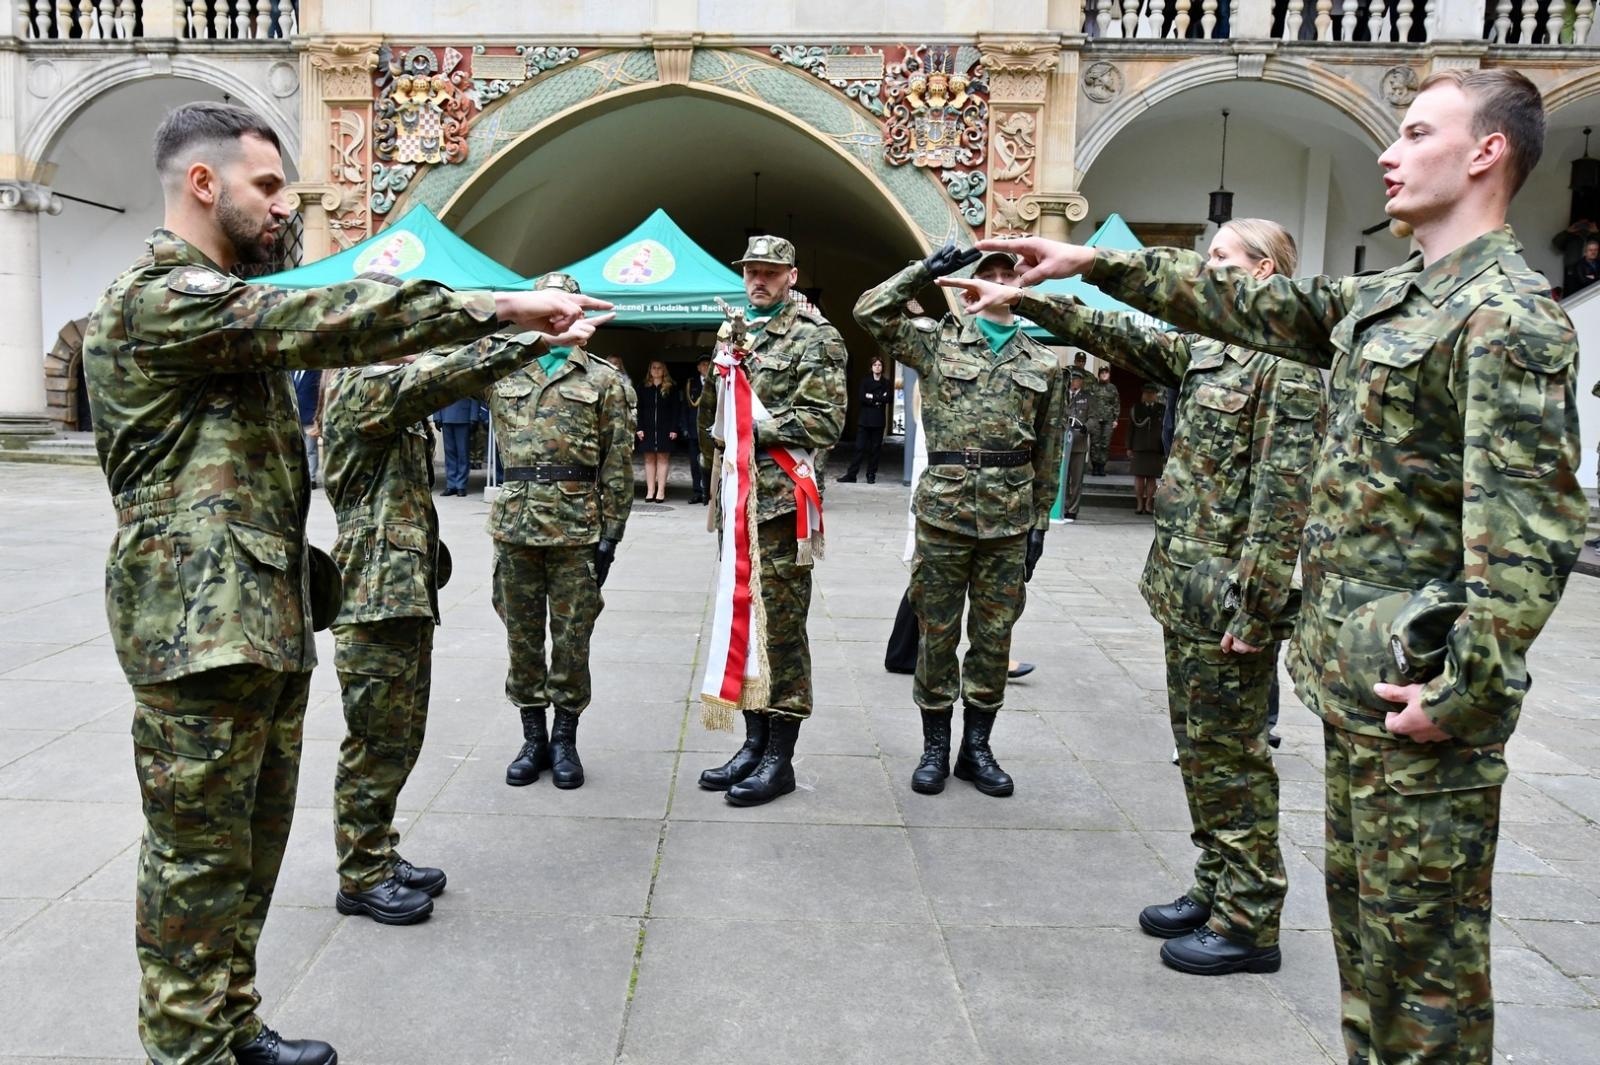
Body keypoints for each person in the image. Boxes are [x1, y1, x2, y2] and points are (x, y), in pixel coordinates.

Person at [956, 69, 1586, 1063]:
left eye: (1416, 131)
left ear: (1484, 152)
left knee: (1420, 976)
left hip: (1415, 699)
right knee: (1371, 960)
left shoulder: (1506, 314)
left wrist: (1463, 695)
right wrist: (1086, 265)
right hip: (1360, 686)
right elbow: (1239, 305)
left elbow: (1530, 530)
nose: (1389, 148)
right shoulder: (1394, 294)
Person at [81, 101, 604, 1065]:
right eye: (269, 187)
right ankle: (188, 1048)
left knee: (251, 851)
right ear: (204, 185)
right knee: (196, 860)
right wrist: (498, 304)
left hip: (258, 619)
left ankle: (232, 1020)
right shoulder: (158, 300)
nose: (285, 209)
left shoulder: (223, 313)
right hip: (193, 631)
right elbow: (319, 312)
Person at [948, 217, 1323, 974]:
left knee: (1234, 756)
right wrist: (1021, 300)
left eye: (1219, 258)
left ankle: (1251, 919)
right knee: (1198, 752)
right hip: (1185, 589)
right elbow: (1115, 332)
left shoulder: (1290, 361)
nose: (1204, 267)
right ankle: (1215, 884)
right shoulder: (1213, 348)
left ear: (1261, 272)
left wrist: (1256, 611)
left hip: (1228, 601)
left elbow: (1286, 499)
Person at [321, 312, 610, 926]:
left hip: (400, 590)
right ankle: (359, 873)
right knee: (375, 737)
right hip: (373, 594)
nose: (413, 344)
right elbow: (450, 374)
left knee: (399, 735)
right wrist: (533, 335)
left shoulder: (386, 386)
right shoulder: (362, 387)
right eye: (401, 334)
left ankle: (377, 849)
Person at [856, 246, 1065, 798]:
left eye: (1007, 274)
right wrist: (924, 272)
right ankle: (934, 747)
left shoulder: (1043, 362)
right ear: (969, 288)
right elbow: (869, 313)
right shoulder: (934, 341)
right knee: (937, 634)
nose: (996, 282)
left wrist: (1040, 521)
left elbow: (1048, 451)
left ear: (1021, 285)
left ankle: (977, 748)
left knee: (994, 638)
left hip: (1008, 518)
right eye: (986, 276)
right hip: (945, 513)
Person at [697, 235, 846, 806]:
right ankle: (752, 745)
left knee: (781, 631)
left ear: (791, 275)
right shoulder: (732, 335)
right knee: (743, 623)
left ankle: (780, 756)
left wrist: (748, 427)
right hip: (736, 501)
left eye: (770, 272)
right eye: (751, 271)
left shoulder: (815, 338)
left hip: (782, 505)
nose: (758, 280)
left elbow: (826, 420)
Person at [490, 273, 634, 792]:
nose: (556, 316)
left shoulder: (603, 380)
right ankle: (533, 739)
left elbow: (617, 462)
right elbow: (452, 349)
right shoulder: (503, 367)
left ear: (577, 313)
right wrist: (515, 322)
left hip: (577, 528)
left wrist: (611, 535)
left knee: (573, 640)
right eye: (546, 306)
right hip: (516, 527)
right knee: (521, 639)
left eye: (564, 308)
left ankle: (566, 737)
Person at [837, 356, 894, 483]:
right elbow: (862, 397)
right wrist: (879, 398)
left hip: (878, 421)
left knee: (875, 450)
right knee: (859, 448)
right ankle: (852, 475)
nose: (877, 367)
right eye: (875, 365)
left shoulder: (886, 383)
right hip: (865, 420)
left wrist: (872, 397)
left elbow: (889, 399)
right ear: (871, 367)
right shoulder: (865, 381)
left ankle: (871, 475)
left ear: (882, 367)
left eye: (879, 365)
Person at [637, 358, 681, 502]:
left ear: (664, 371)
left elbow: (676, 409)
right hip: (647, 428)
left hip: (665, 428)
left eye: (659, 368)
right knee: (649, 459)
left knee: (663, 458)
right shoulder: (643, 387)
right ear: (649, 370)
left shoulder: (671, 387)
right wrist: (639, 427)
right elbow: (639, 409)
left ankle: (660, 491)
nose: (656, 370)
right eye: (653, 367)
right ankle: (650, 491)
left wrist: (674, 428)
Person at [1128, 382, 1165, 514]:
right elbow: (1130, 429)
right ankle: (1139, 503)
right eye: (1146, 393)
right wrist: (1129, 447)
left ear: (1156, 395)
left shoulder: (1162, 409)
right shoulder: (1136, 408)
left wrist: (1165, 448)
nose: (1149, 396)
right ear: (1143, 395)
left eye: (1152, 393)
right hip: (1139, 447)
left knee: (1151, 478)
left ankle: (1149, 503)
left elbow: (1166, 429)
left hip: (1156, 448)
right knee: (1139, 477)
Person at [1058, 369, 1090, 522]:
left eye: (1078, 380)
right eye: (1073, 379)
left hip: (1078, 443)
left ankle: (1072, 509)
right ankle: (1061, 507)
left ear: (1081, 382)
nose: (1075, 382)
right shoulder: (1062, 395)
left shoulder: (1087, 398)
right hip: (1063, 443)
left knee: (1076, 480)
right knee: (1062, 477)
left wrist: (1087, 427)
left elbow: (1094, 418)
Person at [432, 394, 475, 496]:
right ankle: (451, 485)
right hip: (446, 415)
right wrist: (437, 416)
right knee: (449, 452)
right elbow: (436, 394)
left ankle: (461, 485)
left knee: (462, 452)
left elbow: (475, 394)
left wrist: (474, 417)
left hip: (463, 415)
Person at [685, 354, 713, 504]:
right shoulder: (692, 383)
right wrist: (685, 427)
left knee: (710, 463)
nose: (705, 367)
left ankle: (710, 492)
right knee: (695, 463)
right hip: (694, 430)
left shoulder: (717, 382)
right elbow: (687, 407)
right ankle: (698, 491)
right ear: (698, 368)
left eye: (708, 364)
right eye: (702, 365)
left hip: (710, 431)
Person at [1086, 364, 1120, 476]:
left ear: (1109, 374)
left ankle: (1102, 467)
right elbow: (1089, 403)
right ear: (1099, 375)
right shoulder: (1093, 387)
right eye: (1102, 373)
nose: (1104, 374)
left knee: (1105, 443)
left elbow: (1116, 404)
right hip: (1095, 419)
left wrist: (1116, 419)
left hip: (1108, 420)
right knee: (1095, 443)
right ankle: (1094, 466)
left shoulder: (1112, 388)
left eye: (1106, 372)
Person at [292, 368, 322, 487]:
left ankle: (312, 479)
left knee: (310, 450)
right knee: (297, 449)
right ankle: (299, 477)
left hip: (311, 417)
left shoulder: (315, 372)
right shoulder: (291, 372)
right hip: (295, 417)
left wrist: (318, 418)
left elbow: (320, 394)